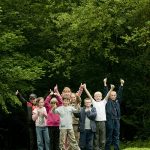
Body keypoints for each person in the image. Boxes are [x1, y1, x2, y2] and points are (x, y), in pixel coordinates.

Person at [83, 80, 115, 150]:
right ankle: (96, 148)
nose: (98, 97)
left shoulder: (104, 102)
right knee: (96, 136)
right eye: (96, 96)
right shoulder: (93, 102)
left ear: (101, 97)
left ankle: (102, 148)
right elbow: (89, 95)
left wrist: (111, 89)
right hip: (95, 122)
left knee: (103, 137)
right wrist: (85, 88)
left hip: (103, 122)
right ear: (94, 97)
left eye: (99, 96)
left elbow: (107, 95)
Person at [104, 79, 125, 150]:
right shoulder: (107, 101)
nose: (113, 96)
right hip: (109, 120)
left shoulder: (117, 101)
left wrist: (121, 85)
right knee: (109, 135)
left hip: (117, 120)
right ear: (109, 96)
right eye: (112, 95)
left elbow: (120, 93)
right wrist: (105, 84)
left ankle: (117, 148)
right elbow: (106, 92)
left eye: (114, 95)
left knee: (116, 135)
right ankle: (107, 148)